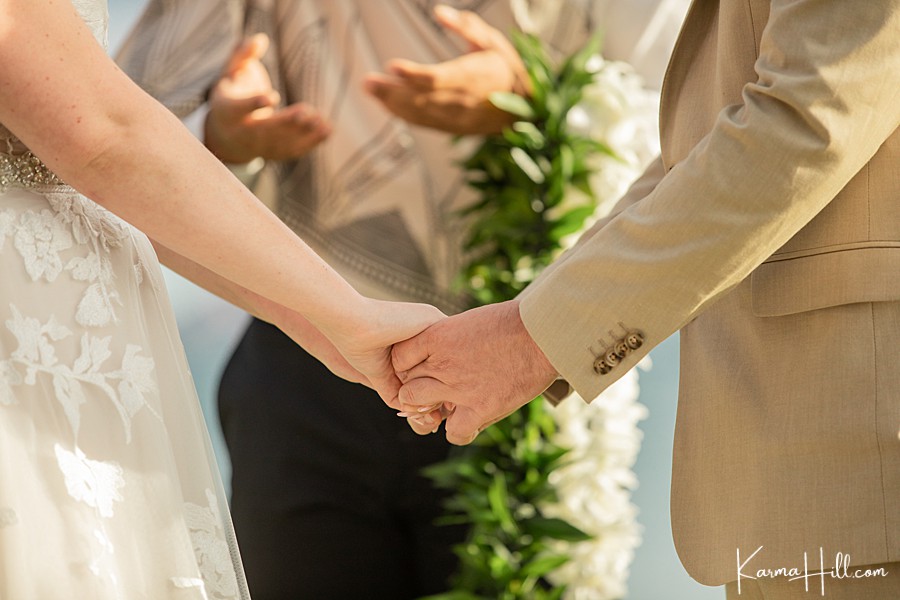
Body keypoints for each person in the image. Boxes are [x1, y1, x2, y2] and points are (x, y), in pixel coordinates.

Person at [117, 1, 689, 597]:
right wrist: (221, 137)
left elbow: (684, 122)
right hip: (300, 369)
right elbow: (108, 116)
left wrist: (531, 95)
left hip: (521, 376)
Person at [393, 0, 900, 598]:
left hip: (858, 455)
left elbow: (804, 120)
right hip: (806, 466)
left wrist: (532, 338)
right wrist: (536, 325)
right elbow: (714, 135)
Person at [0, 0, 446, 598]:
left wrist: (321, 323)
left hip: (76, 350)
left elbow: (100, 177)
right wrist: (347, 313)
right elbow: (104, 137)